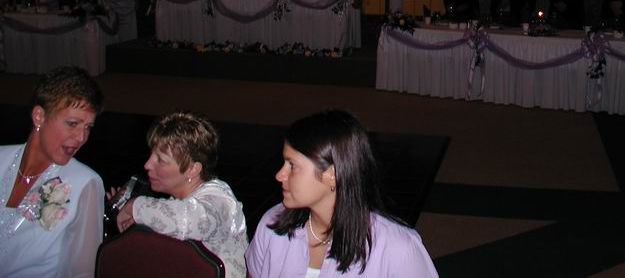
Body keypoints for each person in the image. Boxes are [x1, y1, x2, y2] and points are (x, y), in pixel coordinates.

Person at [245, 110, 439, 278]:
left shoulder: (397, 249)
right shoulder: (272, 226)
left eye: (292, 165)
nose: (280, 175)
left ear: (332, 174)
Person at [114, 111, 248, 278]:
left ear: (192, 169)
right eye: (151, 155)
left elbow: (187, 220)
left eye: (161, 160)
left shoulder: (220, 200)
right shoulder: (179, 200)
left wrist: (134, 206)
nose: (147, 165)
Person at [0, 66, 104, 278]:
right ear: (39, 116)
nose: (81, 138)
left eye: (88, 127)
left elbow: (82, 272)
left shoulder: (85, 183)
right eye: (72, 124)